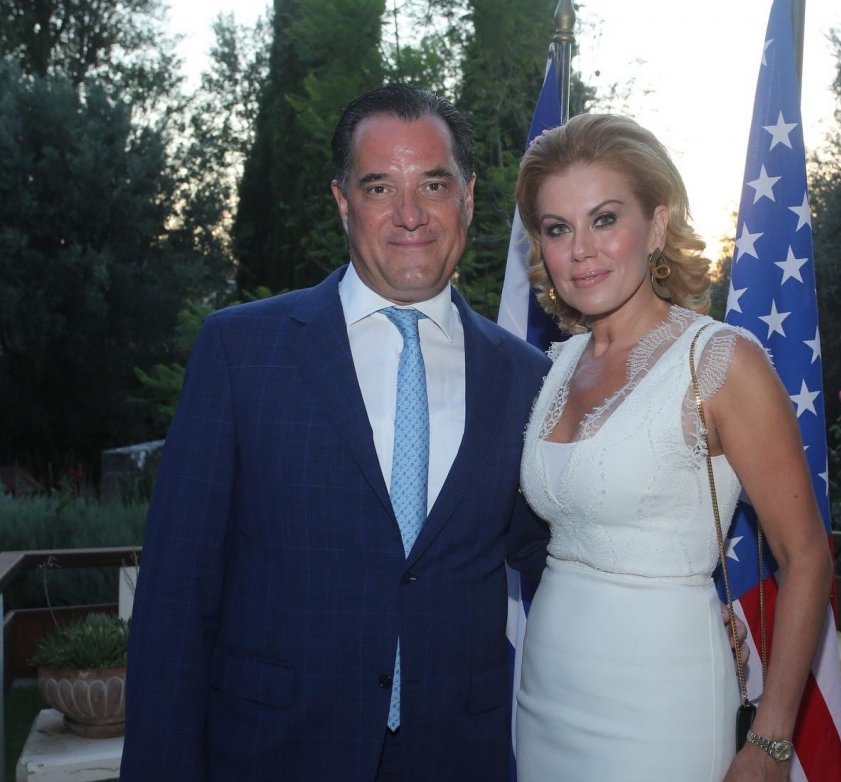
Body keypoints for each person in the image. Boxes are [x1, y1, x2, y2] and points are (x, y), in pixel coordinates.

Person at [120, 84, 552, 782]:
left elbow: (559, 560)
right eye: (380, 187)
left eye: (433, 184)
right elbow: (176, 594)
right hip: (276, 752)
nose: (410, 214)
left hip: (458, 756)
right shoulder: (242, 352)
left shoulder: (526, 377)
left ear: (468, 198)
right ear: (343, 202)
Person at [512, 113, 834, 782]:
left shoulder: (719, 361)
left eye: (605, 219)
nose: (581, 250)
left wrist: (772, 741)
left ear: (656, 225)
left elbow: (806, 556)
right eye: (558, 228)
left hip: (662, 702)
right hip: (543, 693)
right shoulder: (559, 364)